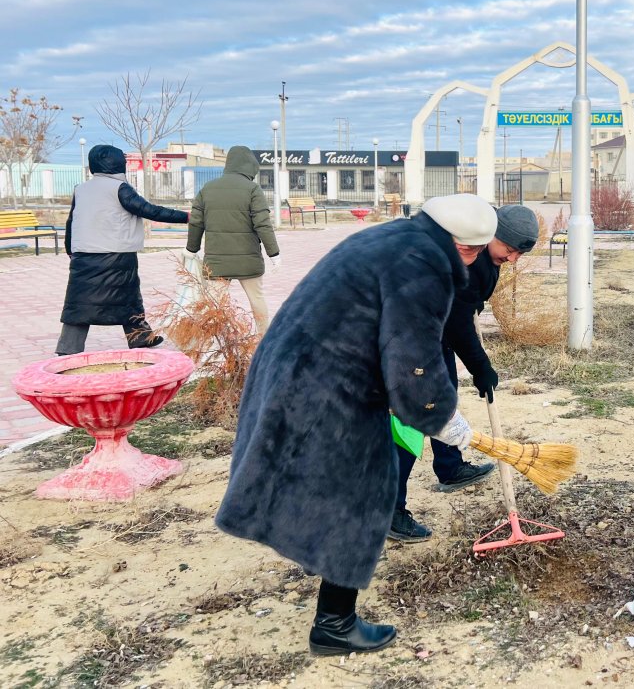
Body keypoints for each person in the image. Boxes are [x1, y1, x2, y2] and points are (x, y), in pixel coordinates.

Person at [215, 193, 497, 656]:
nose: (471, 259)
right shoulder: (424, 265)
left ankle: (318, 567)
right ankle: (334, 625)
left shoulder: (393, 235)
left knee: (321, 481)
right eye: (471, 251)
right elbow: (413, 355)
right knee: (362, 492)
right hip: (327, 383)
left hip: (291, 365)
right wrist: (439, 415)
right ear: (462, 245)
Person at [389, 204, 541, 541]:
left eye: (519, 253)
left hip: (431, 334)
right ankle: (389, 511)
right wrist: (481, 366)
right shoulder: (461, 255)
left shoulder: (483, 256)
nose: (513, 259)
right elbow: (457, 323)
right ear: (491, 236)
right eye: (510, 250)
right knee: (409, 429)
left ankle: (450, 467)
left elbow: (459, 312)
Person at [56, 144, 190, 355]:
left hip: (83, 255)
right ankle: (140, 337)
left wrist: (70, 248)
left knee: (79, 302)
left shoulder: (81, 189)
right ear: (118, 164)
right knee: (127, 298)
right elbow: (148, 210)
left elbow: (71, 220)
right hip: (116, 255)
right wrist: (186, 217)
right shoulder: (119, 188)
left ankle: (68, 347)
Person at [185, 145, 280, 333]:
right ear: (249, 166)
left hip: (216, 261)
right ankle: (263, 339)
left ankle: (214, 344)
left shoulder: (207, 189)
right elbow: (263, 224)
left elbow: (196, 222)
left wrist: (191, 249)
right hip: (248, 260)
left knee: (214, 305)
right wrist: (274, 253)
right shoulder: (253, 190)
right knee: (257, 299)